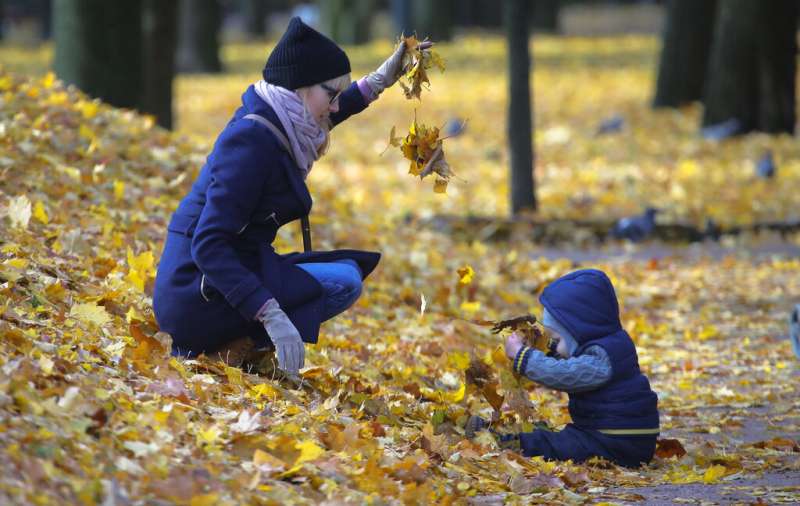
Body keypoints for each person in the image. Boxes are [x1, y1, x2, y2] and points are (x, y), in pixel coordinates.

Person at [153, 17, 426, 375]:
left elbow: (331, 111)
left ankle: (238, 344)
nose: (333, 107)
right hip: (195, 294)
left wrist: (379, 81)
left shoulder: (279, 114)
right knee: (340, 283)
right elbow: (208, 244)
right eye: (331, 95)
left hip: (228, 271)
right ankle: (228, 348)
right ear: (301, 88)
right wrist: (271, 314)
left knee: (346, 272)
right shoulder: (251, 142)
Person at [468, 269, 660, 468]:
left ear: (580, 329)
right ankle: (514, 433)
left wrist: (522, 357)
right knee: (562, 437)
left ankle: (505, 441)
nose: (555, 345)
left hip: (618, 441)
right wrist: (540, 345)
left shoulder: (602, 358)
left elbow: (564, 373)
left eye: (557, 339)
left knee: (559, 444)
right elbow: (571, 359)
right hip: (610, 434)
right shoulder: (605, 345)